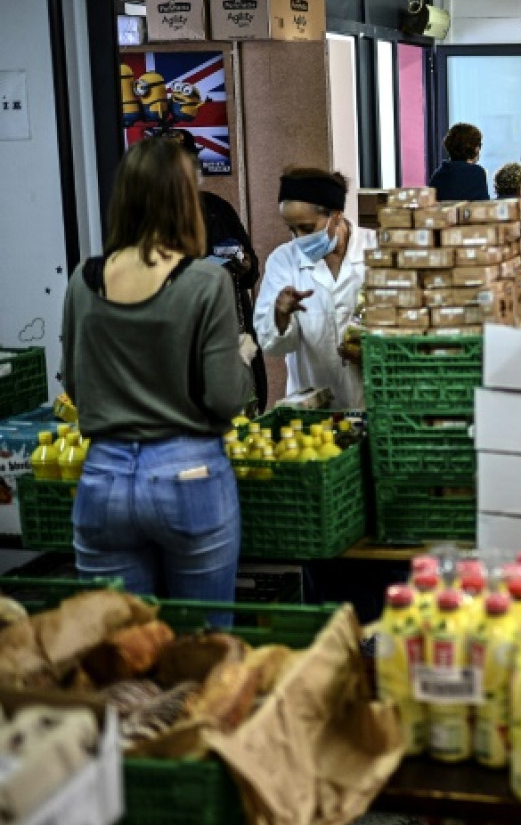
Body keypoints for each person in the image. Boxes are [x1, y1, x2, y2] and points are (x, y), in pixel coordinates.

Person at [61, 136, 252, 609]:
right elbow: (226, 398)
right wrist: (241, 358)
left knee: (119, 650)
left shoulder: (84, 280)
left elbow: (75, 386)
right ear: (185, 200)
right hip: (189, 474)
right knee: (201, 650)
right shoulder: (206, 281)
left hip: (102, 478)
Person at [254, 167, 377, 407]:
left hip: (375, 401)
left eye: (307, 228)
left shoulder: (377, 250)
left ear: (337, 215)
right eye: (292, 229)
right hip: (314, 407)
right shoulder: (283, 260)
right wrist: (280, 315)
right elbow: (272, 345)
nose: (299, 238)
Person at [172, 130, 267, 413]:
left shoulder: (216, 208)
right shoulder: (148, 218)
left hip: (232, 325)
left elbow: (251, 273)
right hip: (184, 335)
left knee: (244, 409)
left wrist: (246, 264)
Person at [430, 123, 490, 201]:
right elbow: (483, 206)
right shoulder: (477, 173)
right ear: (475, 148)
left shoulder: (438, 175)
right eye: (479, 145)